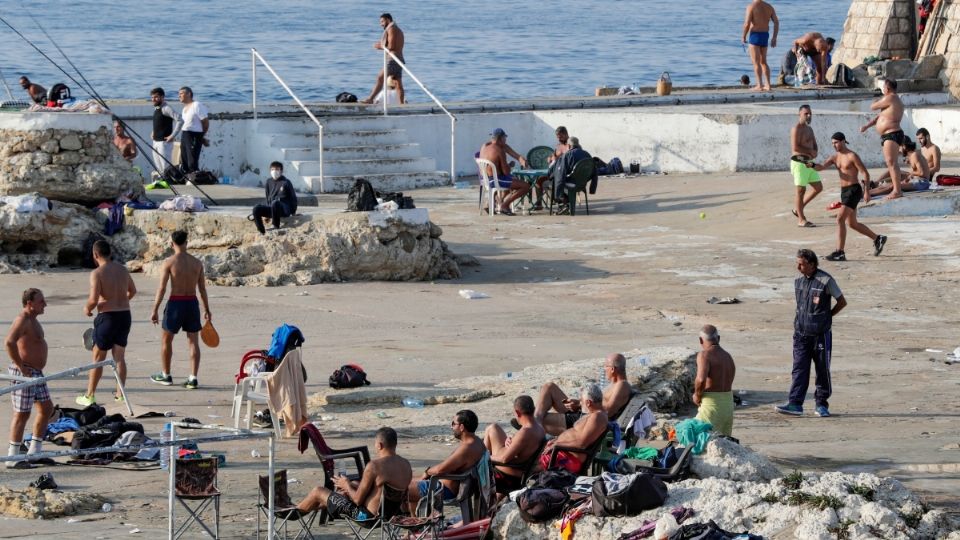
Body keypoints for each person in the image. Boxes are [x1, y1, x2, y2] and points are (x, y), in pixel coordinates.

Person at [776, 249, 846, 418]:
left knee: (822, 370)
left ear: (812, 264)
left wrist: (827, 317)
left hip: (820, 334)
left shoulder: (826, 280)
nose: (798, 267)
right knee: (799, 369)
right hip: (800, 334)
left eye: (802, 264)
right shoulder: (798, 281)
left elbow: (842, 301)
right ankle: (795, 404)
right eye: (797, 263)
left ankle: (821, 404)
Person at [296, 427, 412, 520]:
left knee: (318, 491)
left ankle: (292, 513)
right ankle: (303, 507)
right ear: (395, 444)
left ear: (379, 445)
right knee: (349, 487)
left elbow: (357, 500)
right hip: (390, 517)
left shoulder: (374, 466)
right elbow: (380, 491)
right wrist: (351, 486)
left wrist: (345, 484)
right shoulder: (406, 464)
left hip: (367, 517)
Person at [149, 230, 212, 389]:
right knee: (193, 342)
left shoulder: (169, 262)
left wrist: (155, 309)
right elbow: (202, 289)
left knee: (166, 340)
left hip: (175, 304)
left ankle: (166, 375)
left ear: (172, 244)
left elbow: (162, 288)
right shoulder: (197, 263)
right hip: (192, 303)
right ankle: (193, 378)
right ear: (187, 242)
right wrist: (206, 309)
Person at [813, 132, 887, 262]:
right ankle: (878, 238)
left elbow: (865, 173)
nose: (834, 145)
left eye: (836, 142)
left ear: (843, 141)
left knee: (840, 219)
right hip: (844, 191)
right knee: (852, 224)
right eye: (832, 143)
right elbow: (821, 167)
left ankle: (840, 252)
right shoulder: (834, 158)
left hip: (854, 190)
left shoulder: (852, 156)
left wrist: (867, 191)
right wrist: (812, 165)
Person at [78, 241, 136, 406]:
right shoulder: (123, 269)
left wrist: (87, 309)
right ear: (110, 253)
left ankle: (89, 396)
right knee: (119, 358)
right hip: (125, 315)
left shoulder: (97, 273)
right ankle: (120, 395)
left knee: (98, 358)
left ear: (95, 255)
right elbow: (133, 291)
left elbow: (93, 299)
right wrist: (121, 302)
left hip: (107, 317)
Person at [5, 289, 53, 468]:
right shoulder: (22, 320)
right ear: (29, 303)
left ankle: (35, 451)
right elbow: (9, 342)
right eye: (41, 301)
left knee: (46, 408)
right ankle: (12, 457)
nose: (45, 304)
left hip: (36, 373)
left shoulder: (33, 319)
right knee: (22, 413)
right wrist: (20, 365)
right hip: (24, 373)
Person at [533, 353, 630, 436]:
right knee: (549, 387)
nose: (604, 369)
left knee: (539, 419)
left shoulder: (622, 386)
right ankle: (535, 420)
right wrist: (579, 403)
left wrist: (581, 404)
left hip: (583, 421)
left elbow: (608, 411)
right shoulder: (616, 385)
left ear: (612, 369)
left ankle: (533, 424)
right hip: (582, 413)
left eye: (606, 366)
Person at [407, 409, 485, 513]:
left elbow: (440, 470)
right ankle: (417, 523)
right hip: (446, 483)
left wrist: (427, 472)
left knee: (401, 488)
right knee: (406, 481)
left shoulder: (466, 448)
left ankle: (416, 525)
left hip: (443, 489)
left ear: (461, 427)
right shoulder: (477, 442)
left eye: (453, 424)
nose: (451, 427)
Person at [535, 384, 608, 474]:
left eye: (581, 401)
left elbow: (581, 444)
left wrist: (557, 444)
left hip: (568, 458)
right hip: (564, 452)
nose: (580, 403)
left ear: (588, 403)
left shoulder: (597, 417)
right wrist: (556, 440)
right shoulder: (595, 414)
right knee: (530, 457)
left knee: (529, 466)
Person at [483, 395, 546, 496]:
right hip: (518, 465)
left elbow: (504, 459)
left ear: (517, 413)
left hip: (510, 473)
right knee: (493, 427)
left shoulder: (525, 432)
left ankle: (481, 465)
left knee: (481, 457)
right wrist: (511, 439)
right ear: (533, 409)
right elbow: (523, 443)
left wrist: (485, 457)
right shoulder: (538, 427)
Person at [860, 78, 905, 199]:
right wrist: (867, 126)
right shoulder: (891, 101)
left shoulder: (890, 97)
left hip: (892, 133)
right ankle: (896, 189)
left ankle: (897, 190)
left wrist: (877, 99)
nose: (882, 90)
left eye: (883, 88)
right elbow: (879, 117)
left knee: (892, 162)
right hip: (889, 134)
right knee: (890, 162)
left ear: (888, 88)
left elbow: (872, 106)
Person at [693, 325, 736, 436]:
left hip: (711, 405)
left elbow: (701, 379)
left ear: (700, 340)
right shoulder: (728, 357)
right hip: (728, 405)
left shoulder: (704, 355)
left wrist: (697, 395)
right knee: (724, 440)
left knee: (697, 437)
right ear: (719, 338)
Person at [478, 128, 531, 216]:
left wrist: (521, 159)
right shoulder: (499, 150)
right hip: (495, 180)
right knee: (525, 186)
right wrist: (510, 165)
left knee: (512, 180)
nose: (506, 140)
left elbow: (515, 155)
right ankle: (505, 206)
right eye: (505, 138)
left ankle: (491, 203)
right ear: (500, 139)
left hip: (485, 179)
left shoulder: (485, 146)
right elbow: (506, 172)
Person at [361, 13, 406, 105]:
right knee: (398, 84)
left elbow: (392, 46)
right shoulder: (396, 29)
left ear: (388, 20)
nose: (381, 24)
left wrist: (380, 46)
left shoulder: (391, 29)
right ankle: (402, 104)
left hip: (393, 60)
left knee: (380, 78)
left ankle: (370, 99)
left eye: (382, 21)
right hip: (399, 59)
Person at [790, 105, 821, 227]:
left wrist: (815, 151)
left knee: (818, 187)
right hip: (799, 162)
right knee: (801, 190)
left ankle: (798, 208)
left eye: (810, 114)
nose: (808, 116)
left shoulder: (810, 129)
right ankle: (801, 219)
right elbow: (795, 148)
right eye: (806, 114)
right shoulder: (796, 129)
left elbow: (814, 144)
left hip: (809, 162)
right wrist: (809, 152)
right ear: (799, 114)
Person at [551, 137, 598, 212]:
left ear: (569, 146)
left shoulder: (567, 155)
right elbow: (595, 172)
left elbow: (560, 174)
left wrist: (558, 195)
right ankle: (566, 205)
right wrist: (592, 189)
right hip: (582, 184)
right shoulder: (587, 154)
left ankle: (564, 204)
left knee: (554, 180)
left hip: (571, 183)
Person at [251, 162, 298, 234]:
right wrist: (267, 212)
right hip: (272, 208)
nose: (274, 171)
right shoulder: (268, 182)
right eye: (272, 169)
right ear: (270, 171)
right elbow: (268, 197)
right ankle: (261, 230)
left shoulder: (286, 182)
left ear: (281, 171)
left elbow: (293, 198)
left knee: (275, 202)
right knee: (256, 208)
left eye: (277, 169)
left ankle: (275, 225)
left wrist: (293, 212)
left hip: (283, 209)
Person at [742, 0, 779, 91]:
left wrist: (743, 37)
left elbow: (747, 24)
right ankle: (768, 85)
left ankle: (759, 85)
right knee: (764, 62)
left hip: (755, 35)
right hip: (765, 35)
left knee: (756, 63)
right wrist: (774, 37)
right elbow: (776, 22)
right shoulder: (769, 6)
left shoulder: (751, 6)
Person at [149, 87, 182, 174]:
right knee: (158, 166)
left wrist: (172, 135)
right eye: (152, 97)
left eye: (156, 97)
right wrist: (153, 131)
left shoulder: (166, 108)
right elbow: (159, 122)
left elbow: (180, 120)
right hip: (155, 141)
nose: (153, 99)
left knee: (165, 166)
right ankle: (162, 181)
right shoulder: (157, 108)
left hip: (164, 143)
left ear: (162, 97)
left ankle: (169, 182)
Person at [178, 86, 209, 174]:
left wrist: (202, 137)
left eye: (181, 93)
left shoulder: (197, 105)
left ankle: (194, 178)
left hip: (194, 135)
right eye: (178, 94)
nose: (179, 96)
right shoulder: (184, 109)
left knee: (192, 159)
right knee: (184, 158)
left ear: (189, 94)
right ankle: (187, 176)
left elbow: (205, 122)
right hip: (185, 134)